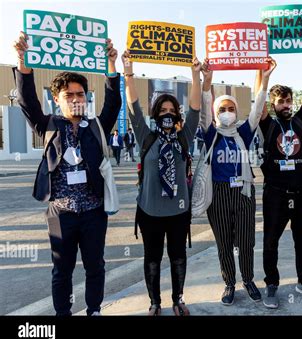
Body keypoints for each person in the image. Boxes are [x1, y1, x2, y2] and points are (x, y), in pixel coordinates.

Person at [13, 31, 121, 316]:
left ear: (86, 97)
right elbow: (27, 101)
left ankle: (94, 309)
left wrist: (111, 66)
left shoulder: (96, 126)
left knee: (95, 265)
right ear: (57, 99)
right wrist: (23, 61)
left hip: (93, 212)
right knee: (62, 269)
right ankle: (63, 314)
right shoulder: (48, 124)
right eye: (68, 94)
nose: (75, 99)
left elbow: (113, 103)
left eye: (80, 94)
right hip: (60, 214)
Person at [121, 50, 201, 316]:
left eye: (172, 111)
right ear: (155, 114)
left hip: (178, 211)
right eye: (163, 110)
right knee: (152, 258)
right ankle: (154, 302)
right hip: (149, 212)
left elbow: (195, 109)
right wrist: (129, 71)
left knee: (178, 257)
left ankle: (178, 299)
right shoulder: (146, 135)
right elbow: (133, 107)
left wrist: (195, 74)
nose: (168, 114)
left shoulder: (184, 137)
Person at [200, 57, 277, 306]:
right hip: (219, 194)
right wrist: (207, 81)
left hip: (243, 191)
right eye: (221, 109)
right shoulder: (211, 133)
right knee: (224, 242)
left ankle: (248, 279)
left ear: (236, 111)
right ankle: (229, 283)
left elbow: (257, 108)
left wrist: (265, 78)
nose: (226, 113)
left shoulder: (244, 131)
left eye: (230, 109)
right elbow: (203, 108)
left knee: (246, 241)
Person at [256, 42, 302, 309]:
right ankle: (271, 284)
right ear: (273, 104)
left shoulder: (300, 120)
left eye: (288, 100)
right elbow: (258, 103)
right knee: (270, 241)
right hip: (275, 194)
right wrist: (265, 75)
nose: (286, 104)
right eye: (281, 101)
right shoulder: (268, 125)